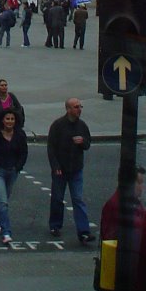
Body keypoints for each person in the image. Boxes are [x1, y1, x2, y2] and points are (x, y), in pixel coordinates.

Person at [47, 97, 95, 243]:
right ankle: (55, 225)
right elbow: (51, 148)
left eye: (80, 106)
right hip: (60, 169)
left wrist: (83, 142)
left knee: (78, 199)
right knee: (57, 198)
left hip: (76, 169)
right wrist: (55, 167)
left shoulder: (82, 126)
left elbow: (88, 144)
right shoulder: (57, 125)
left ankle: (83, 231)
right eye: (76, 107)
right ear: (68, 109)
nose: (79, 109)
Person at [0, 108, 28, 244]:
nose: (10, 121)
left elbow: (24, 153)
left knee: (3, 198)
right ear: (2, 120)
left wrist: (18, 166)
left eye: (12, 119)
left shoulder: (19, 135)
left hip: (12, 171)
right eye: (7, 119)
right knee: (3, 202)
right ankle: (6, 232)